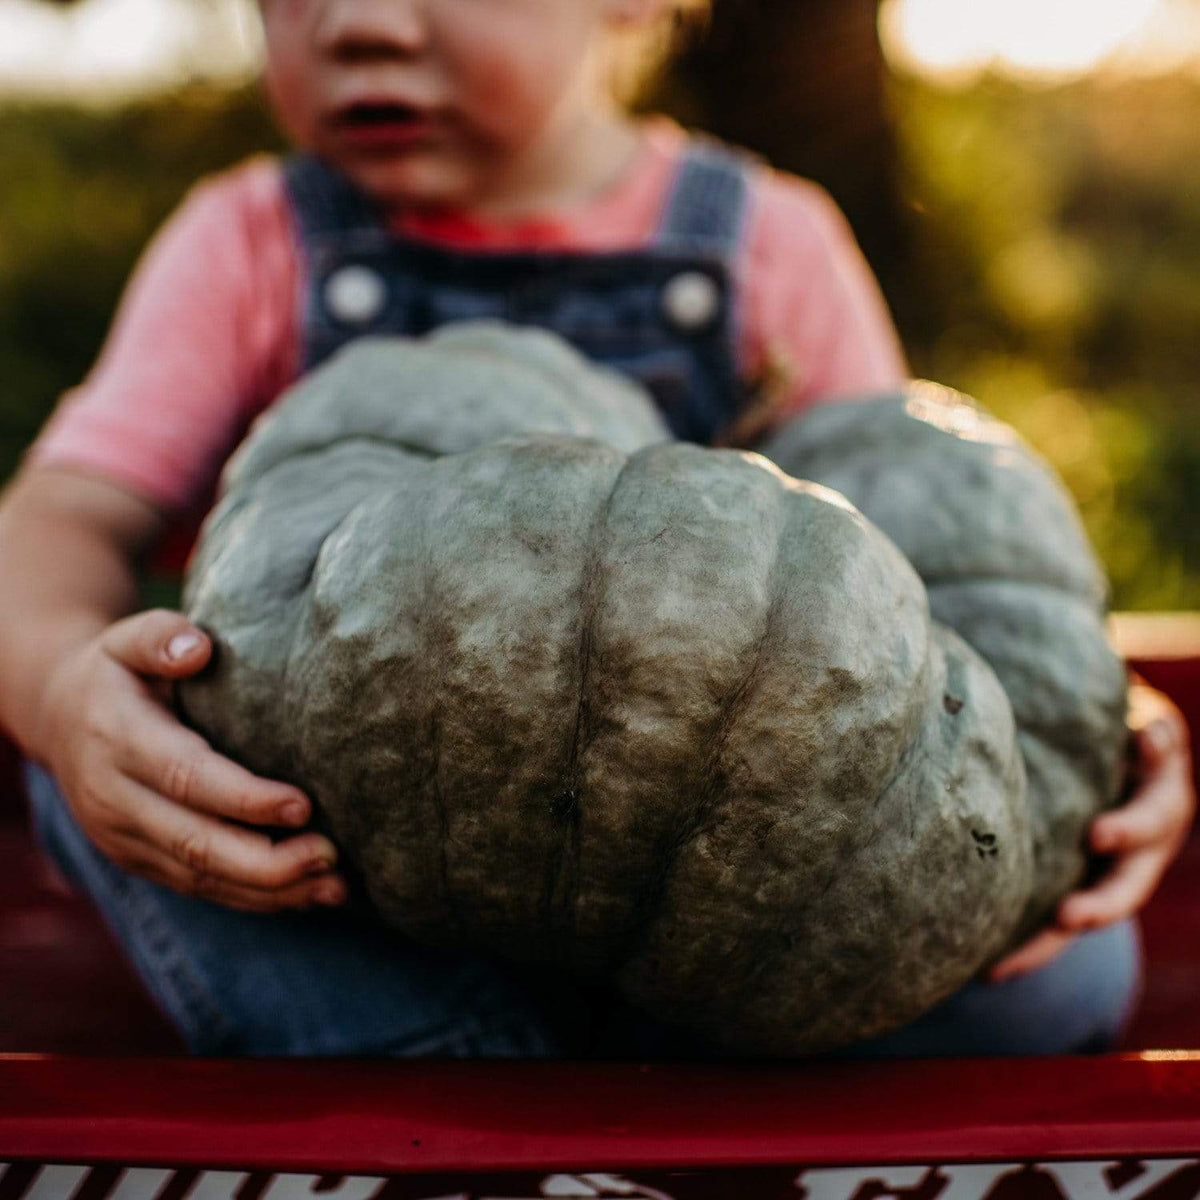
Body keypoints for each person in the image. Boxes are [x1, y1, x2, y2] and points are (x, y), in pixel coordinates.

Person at [0, 0, 1191, 1058]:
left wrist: (1095, 719)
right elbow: (58, 516)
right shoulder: (251, 244)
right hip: (359, 879)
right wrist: (59, 694)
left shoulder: (771, 243)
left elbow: (916, 576)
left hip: (733, 879)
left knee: (1067, 961)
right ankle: (479, 1071)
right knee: (98, 753)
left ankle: (566, 1059)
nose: (357, 21)